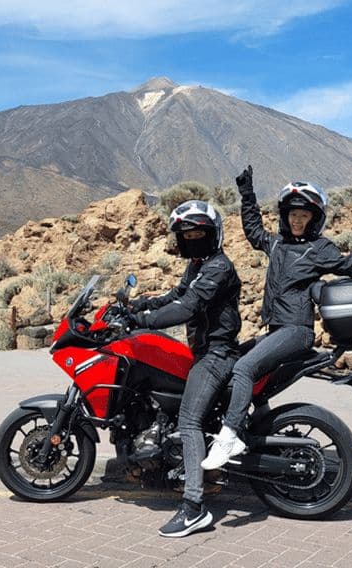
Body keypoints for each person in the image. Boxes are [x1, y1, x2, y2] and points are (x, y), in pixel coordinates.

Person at [201, 166, 352, 470]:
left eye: (304, 215)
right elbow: (254, 232)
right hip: (276, 330)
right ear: (285, 216)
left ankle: (228, 437)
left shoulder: (319, 249)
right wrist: (247, 195)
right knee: (229, 365)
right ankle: (251, 426)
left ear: (314, 218)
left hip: (297, 331)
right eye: (293, 214)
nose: (297, 220)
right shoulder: (278, 245)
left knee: (244, 368)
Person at [127, 199, 241, 538]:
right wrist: (142, 304)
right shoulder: (198, 265)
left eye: (197, 234)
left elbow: (189, 306)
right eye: (186, 235)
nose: (191, 240)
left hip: (216, 355)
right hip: (204, 352)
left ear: (212, 234)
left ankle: (194, 507)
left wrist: (144, 321)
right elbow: (177, 294)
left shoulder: (218, 267)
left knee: (188, 421)